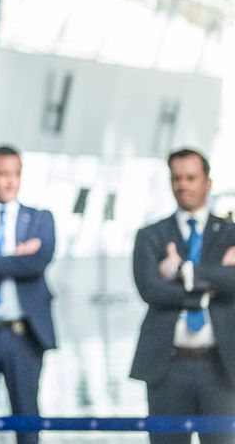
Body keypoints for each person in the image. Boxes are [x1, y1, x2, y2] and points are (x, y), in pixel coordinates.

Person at [129, 148, 235, 444]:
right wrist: (209, 286)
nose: (183, 185)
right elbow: (149, 288)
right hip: (167, 367)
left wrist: (182, 271)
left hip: (221, 366)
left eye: (191, 178)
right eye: (176, 178)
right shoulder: (151, 235)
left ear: (207, 183)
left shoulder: (230, 234)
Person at [0, 146, 55, 444]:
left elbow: (37, 262)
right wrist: (13, 258)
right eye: (3, 174)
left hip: (24, 333)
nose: (9, 182)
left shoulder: (40, 219)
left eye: (15, 174)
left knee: (27, 417)